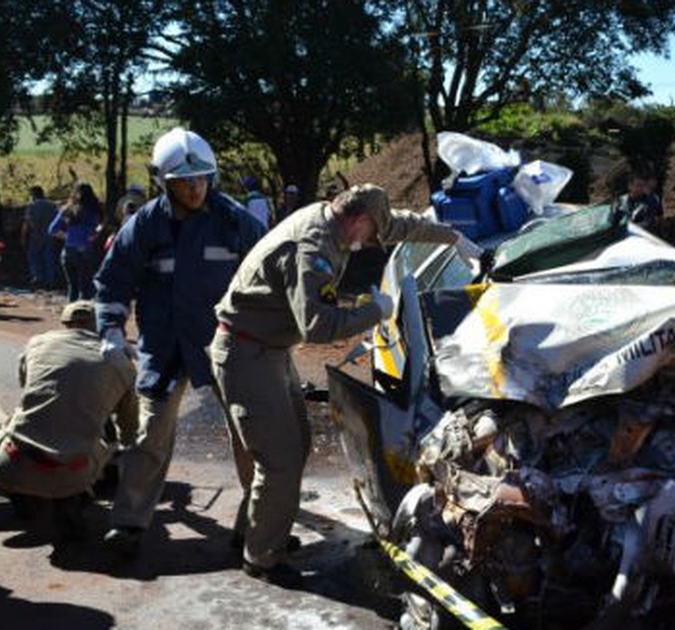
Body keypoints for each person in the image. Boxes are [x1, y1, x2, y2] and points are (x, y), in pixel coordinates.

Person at [210, 184, 481, 587]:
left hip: (267, 348)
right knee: (279, 457)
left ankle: (255, 530)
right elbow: (317, 326)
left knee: (294, 445)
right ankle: (262, 557)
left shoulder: (339, 217)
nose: (372, 244)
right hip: (247, 353)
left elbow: (397, 226)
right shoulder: (314, 247)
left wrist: (452, 237)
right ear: (357, 219)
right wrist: (376, 311)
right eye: (370, 234)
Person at [94, 127, 266, 557]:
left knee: (252, 433)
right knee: (150, 434)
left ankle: (259, 524)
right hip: (166, 345)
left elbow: (269, 272)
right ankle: (129, 523)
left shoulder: (234, 221)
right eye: (185, 181)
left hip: (227, 344)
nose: (195, 187)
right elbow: (112, 282)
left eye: (202, 178)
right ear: (163, 182)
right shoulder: (145, 226)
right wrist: (112, 331)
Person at [0, 300, 137, 542]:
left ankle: (18, 493)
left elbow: (27, 389)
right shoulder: (122, 362)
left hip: (13, 462)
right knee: (107, 444)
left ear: (66, 323)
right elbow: (130, 431)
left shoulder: (37, 343)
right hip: (77, 470)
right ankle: (73, 494)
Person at [49, 183, 102, 302]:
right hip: (85, 251)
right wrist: (93, 235)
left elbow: (52, 229)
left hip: (68, 251)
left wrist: (67, 236)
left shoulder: (67, 210)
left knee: (72, 287)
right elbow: (94, 232)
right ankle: (84, 314)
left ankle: (70, 314)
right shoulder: (93, 211)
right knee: (86, 287)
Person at [22, 186, 59, 289]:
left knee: (34, 257)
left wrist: (23, 236)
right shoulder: (52, 205)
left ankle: (38, 278)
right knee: (49, 257)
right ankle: (51, 281)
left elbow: (27, 223)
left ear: (33, 195)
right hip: (50, 235)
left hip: (36, 235)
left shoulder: (31, 206)